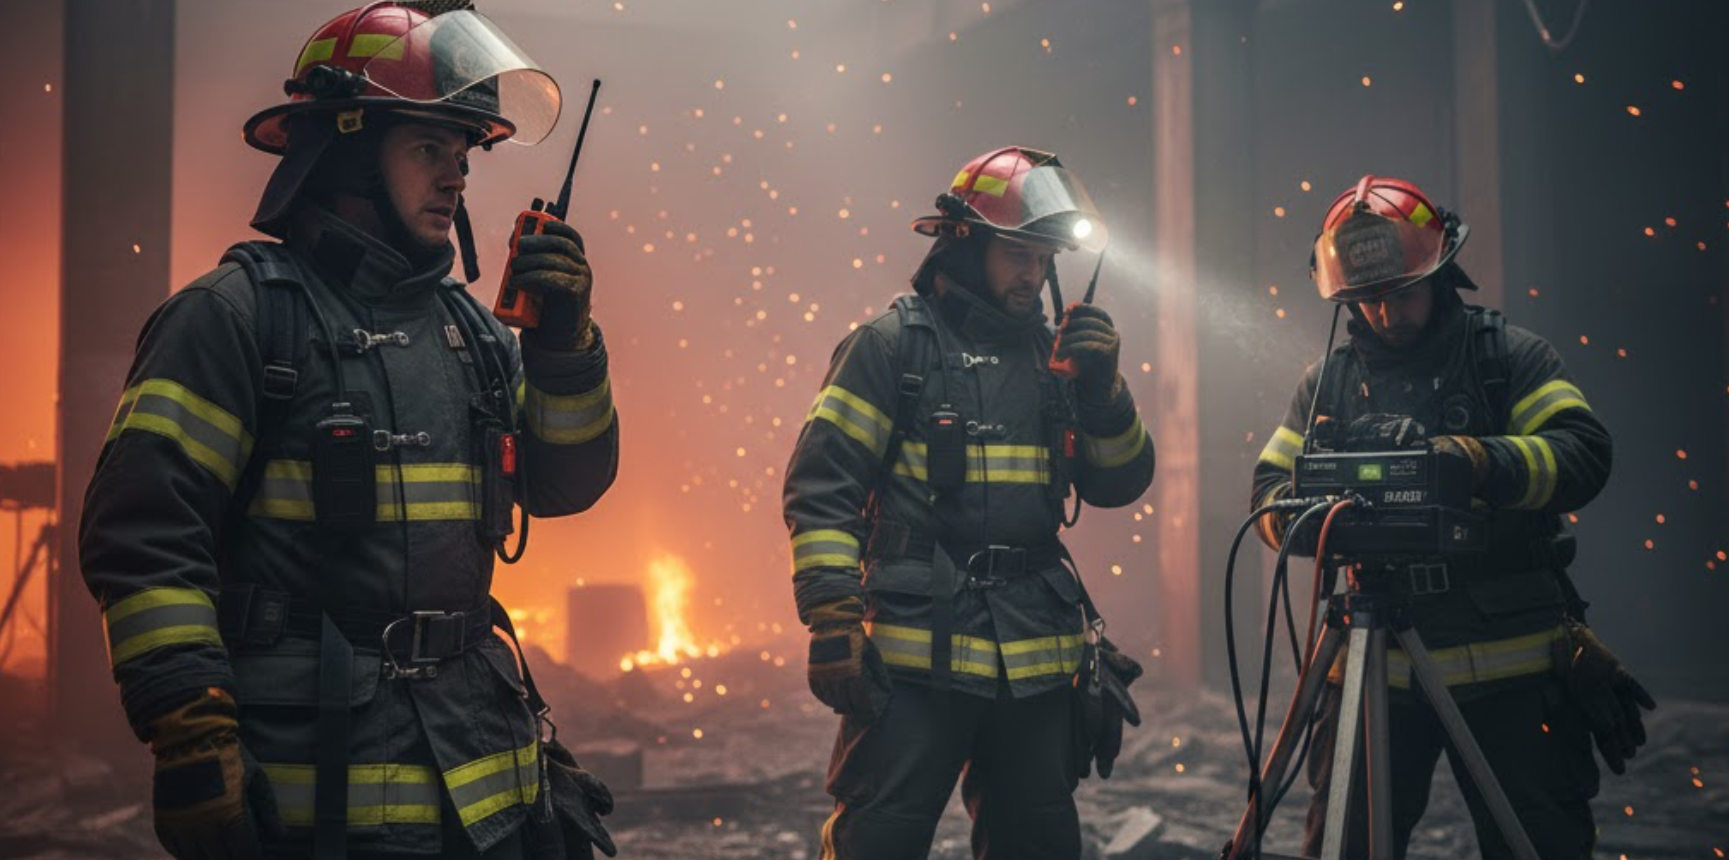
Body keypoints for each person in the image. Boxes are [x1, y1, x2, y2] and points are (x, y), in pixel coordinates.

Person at [78, 4, 619, 858]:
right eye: (427, 148)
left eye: (463, 152)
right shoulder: (234, 319)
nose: (457, 178)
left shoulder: (470, 332)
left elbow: (564, 485)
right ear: (346, 151)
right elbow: (144, 537)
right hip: (319, 795)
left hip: (486, 791)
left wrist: (563, 349)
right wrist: (190, 723)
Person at [1250, 175, 1652, 859]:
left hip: (1512, 674)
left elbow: (1583, 455)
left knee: (1538, 842)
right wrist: (1321, 521)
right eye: (1368, 299)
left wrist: (1477, 461)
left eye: (1399, 293)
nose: (1384, 314)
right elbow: (1266, 493)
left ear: (1439, 272)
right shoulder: (1328, 384)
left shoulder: (1507, 359)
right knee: (1343, 842)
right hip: (1376, 672)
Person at [782, 146, 1155, 860]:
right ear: (965, 243)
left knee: (1037, 843)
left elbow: (1118, 484)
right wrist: (831, 614)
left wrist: (1105, 395)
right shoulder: (889, 348)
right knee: (877, 841)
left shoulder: (1057, 361)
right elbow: (820, 487)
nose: (1034, 274)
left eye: (1044, 258)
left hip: (1037, 658)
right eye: (1018, 254)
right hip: (914, 660)